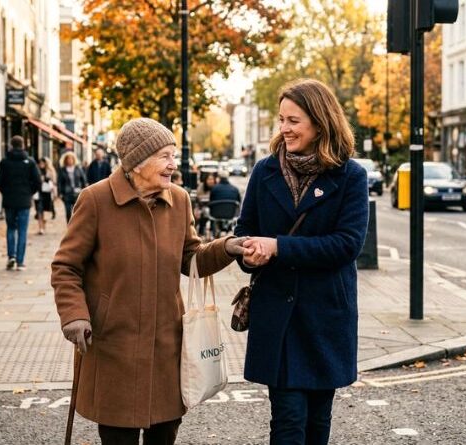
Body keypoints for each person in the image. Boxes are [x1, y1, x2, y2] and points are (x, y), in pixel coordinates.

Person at [52, 117, 250, 445]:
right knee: (118, 435)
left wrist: (226, 247)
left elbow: (191, 258)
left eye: (173, 155)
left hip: (166, 345)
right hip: (114, 341)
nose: (174, 164)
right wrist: (74, 315)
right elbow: (66, 266)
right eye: (165, 156)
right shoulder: (95, 200)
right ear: (137, 162)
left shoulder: (179, 200)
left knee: (165, 433)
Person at [234, 79, 368, 444]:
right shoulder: (265, 171)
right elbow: (245, 230)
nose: (284, 129)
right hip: (277, 314)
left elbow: (347, 245)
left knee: (317, 421)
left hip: (325, 316)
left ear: (320, 122)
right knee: (289, 420)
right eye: (282, 120)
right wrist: (248, 254)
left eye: (293, 120)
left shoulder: (351, 176)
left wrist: (277, 247)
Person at [0, 135, 41, 271]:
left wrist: (6, 192)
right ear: (23, 145)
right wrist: (29, 193)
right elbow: (37, 181)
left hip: (9, 200)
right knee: (22, 230)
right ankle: (20, 261)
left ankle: (11, 256)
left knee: (10, 228)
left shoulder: (4, 162)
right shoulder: (30, 162)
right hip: (24, 201)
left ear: (11, 145)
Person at [57, 151, 87, 223]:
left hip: (77, 193)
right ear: (65, 160)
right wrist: (60, 193)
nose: (69, 160)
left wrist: (83, 189)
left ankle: (76, 225)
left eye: (71, 159)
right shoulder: (62, 170)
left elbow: (83, 180)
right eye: (68, 159)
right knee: (68, 212)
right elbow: (59, 182)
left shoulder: (78, 169)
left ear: (74, 160)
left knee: (76, 211)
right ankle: (69, 227)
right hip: (66, 193)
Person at [35, 157, 57, 235]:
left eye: (43, 163)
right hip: (38, 193)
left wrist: (55, 193)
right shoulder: (36, 171)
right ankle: (41, 228)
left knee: (45, 210)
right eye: (40, 163)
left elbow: (54, 183)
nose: (41, 165)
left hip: (47, 194)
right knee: (39, 210)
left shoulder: (50, 171)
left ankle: (43, 226)